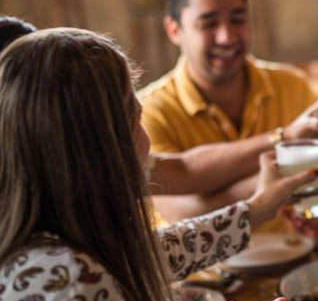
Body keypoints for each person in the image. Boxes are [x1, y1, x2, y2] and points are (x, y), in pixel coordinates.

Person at [0, 28, 318, 301]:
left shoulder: (40, 247)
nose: (150, 146)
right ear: (102, 147)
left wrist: (257, 209)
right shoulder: (78, 291)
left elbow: (154, 251)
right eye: (136, 118)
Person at [0, 15, 296, 202]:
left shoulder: (85, 170)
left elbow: (184, 171)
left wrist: (286, 138)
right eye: (131, 114)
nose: (227, 36)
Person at [140, 0, 318, 223]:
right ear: (174, 30)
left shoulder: (292, 86)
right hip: (213, 266)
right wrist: (278, 175)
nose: (227, 37)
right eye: (209, 24)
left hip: (300, 256)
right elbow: (183, 216)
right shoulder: (149, 111)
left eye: (238, 19)